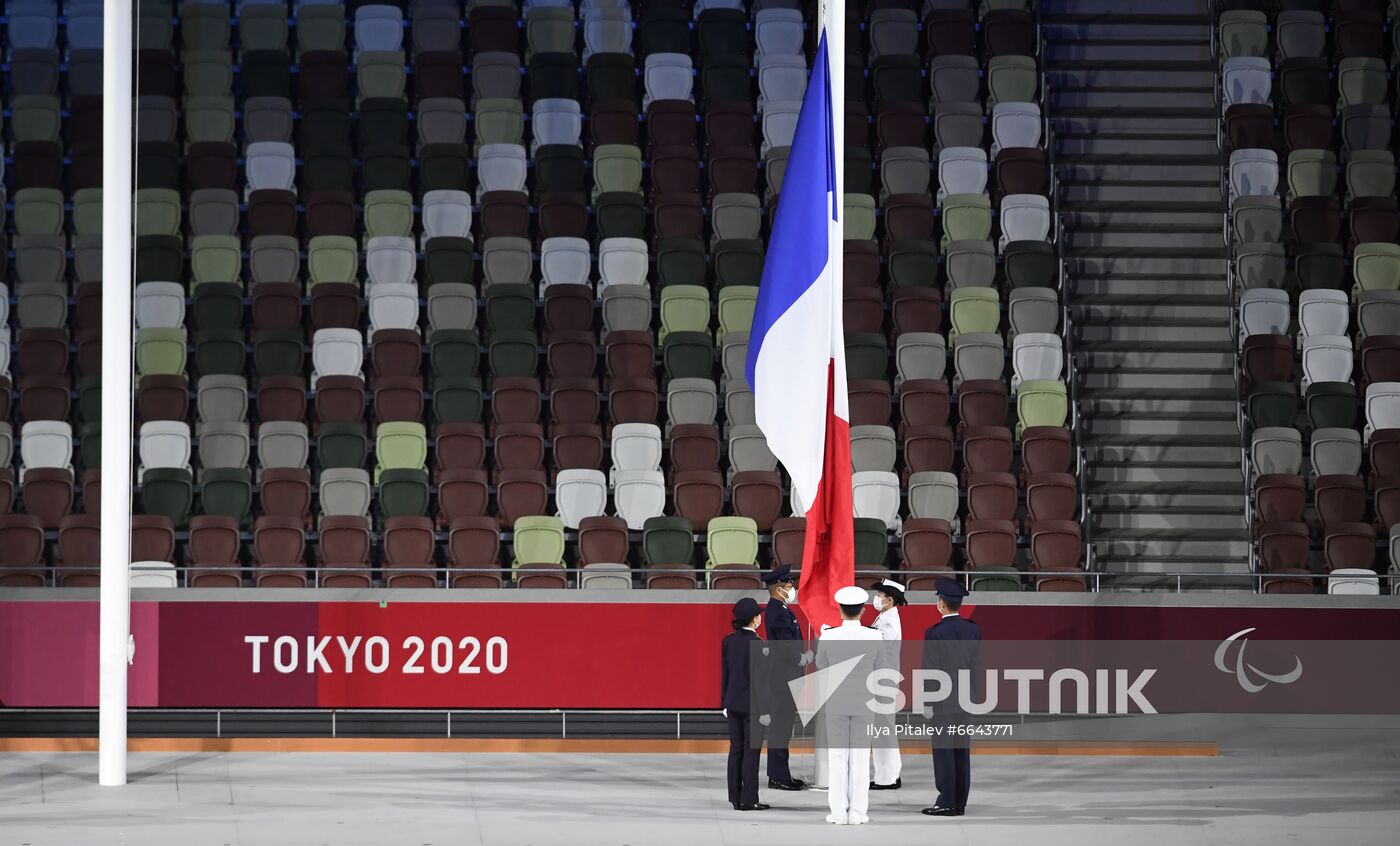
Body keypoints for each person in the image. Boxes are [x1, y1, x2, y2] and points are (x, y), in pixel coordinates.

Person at [818, 585, 884, 825]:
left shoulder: (828, 635)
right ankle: (857, 814)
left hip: (836, 702)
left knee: (837, 758)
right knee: (860, 759)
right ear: (863, 610)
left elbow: (821, 664)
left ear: (839, 610)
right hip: (865, 704)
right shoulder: (875, 635)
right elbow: (881, 668)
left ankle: (837, 813)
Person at [921, 578, 981, 818]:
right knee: (961, 751)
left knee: (944, 751)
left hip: (943, 701)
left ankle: (946, 801)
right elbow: (977, 667)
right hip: (965, 699)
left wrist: (927, 701)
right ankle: (959, 802)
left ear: (941, 603)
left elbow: (931, 670)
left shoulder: (934, 633)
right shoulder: (974, 629)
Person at [761, 564, 808, 790]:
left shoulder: (781, 609)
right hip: (783, 678)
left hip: (787, 677)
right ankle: (778, 777)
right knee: (781, 727)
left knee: (784, 727)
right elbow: (786, 647)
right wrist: (803, 658)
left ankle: (781, 773)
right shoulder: (777, 612)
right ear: (779, 589)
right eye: (789, 585)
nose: (792, 589)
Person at [721, 597, 770, 811]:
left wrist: (723, 701)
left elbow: (726, 673)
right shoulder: (758, 644)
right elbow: (761, 681)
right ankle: (749, 798)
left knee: (735, 750)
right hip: (754, 706)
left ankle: (735, 796)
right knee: (752, 752)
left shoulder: (728, 640)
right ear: (755, 619)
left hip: (732, 702)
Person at [869, 578, 907, 791]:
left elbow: (877, 648)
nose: (877, 599)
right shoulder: (885, 616)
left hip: (883, 681)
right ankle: (890, 773)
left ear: (890, 599)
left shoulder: (889, 621)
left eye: (880, 596)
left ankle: (887, 778)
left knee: (883, 729)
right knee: (883, 729)